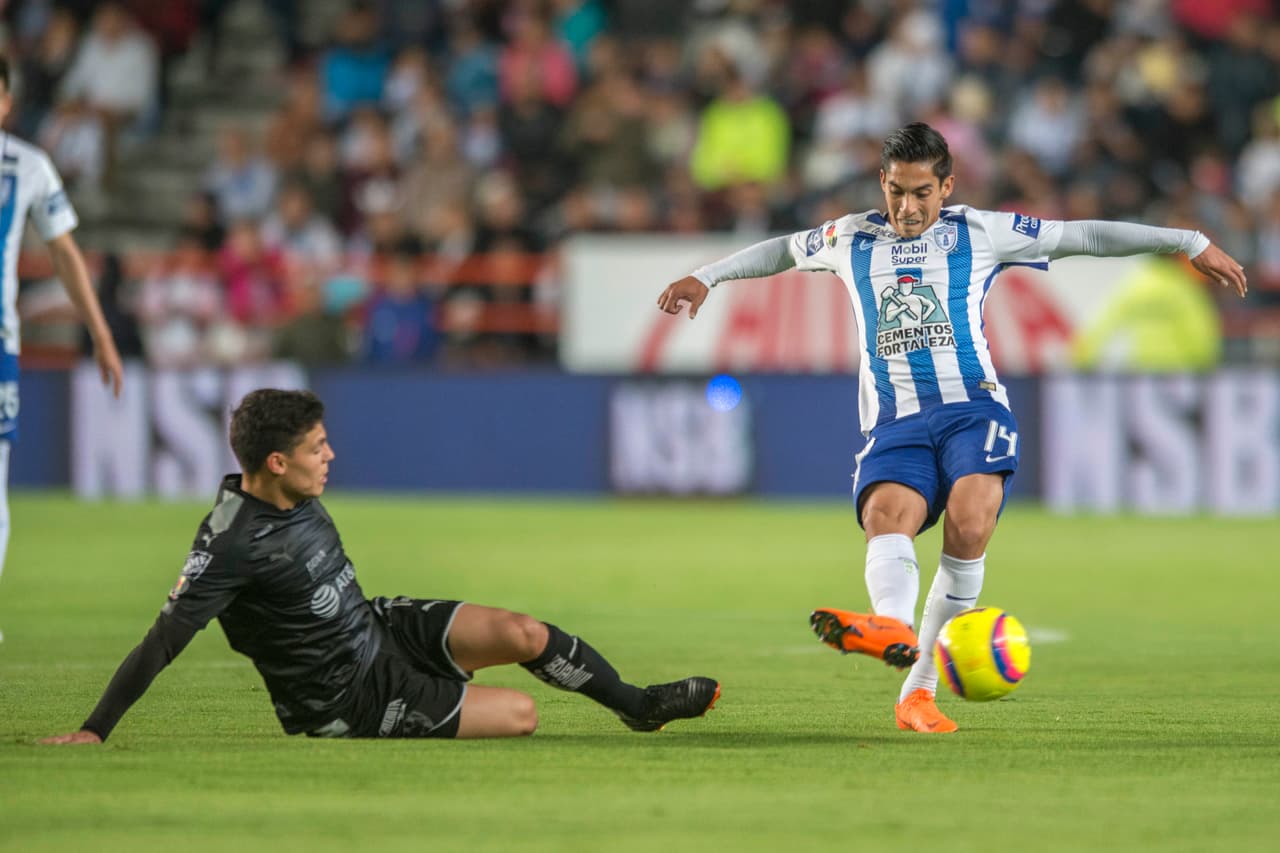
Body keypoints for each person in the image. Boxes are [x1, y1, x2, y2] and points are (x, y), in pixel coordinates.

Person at [655, 122, 1246, 734]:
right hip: (896, 420)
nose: (907, 208)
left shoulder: (982, 230)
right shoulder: (848, 236)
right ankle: (889, 625)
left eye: (921, 193)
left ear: (947, 187)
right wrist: (710, 274)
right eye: (896, 192)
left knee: (969, 520)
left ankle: (919, 691)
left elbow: (1085, 235)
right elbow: (779, 249)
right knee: (885, 515)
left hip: (972, 407)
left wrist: (1189, 240)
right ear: (882, 183)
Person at [43, 389, 719, 744]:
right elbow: (164, 638)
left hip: (378, 629)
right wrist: (96, 727)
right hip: (346, 696)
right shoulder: (230, 542)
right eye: (317, 446)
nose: (330, 454)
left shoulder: (295, 490)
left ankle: (639, 706)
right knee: (522, 715)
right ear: (276, 462)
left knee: (523, 632)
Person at [0, 56, 124, 643]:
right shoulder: (26, 164)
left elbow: (66, 255)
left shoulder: (29, 164)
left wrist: (99, 333)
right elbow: (66, 254)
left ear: (7, 100)